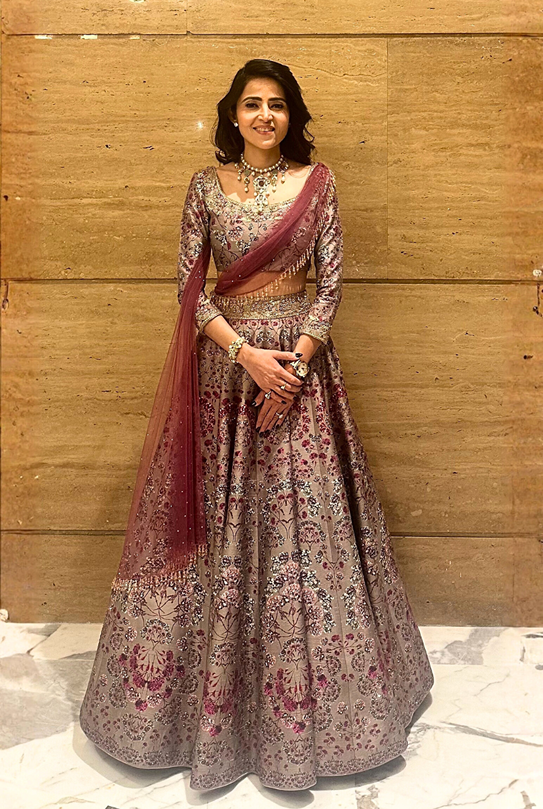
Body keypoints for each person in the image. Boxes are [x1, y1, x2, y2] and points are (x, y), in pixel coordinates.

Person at [79, 58, 434, 792]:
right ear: (233, 115)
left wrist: (293, 368)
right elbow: (189, 291)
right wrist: (247, 357)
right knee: (221, 524)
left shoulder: (317, 184)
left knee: (304, 523)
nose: (265, 115)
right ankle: (200, 713)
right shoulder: (205, 187)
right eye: (252, 104)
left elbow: (330, 286)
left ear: (290, 114)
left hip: (301, 375)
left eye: (277, 104)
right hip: (226, 376)